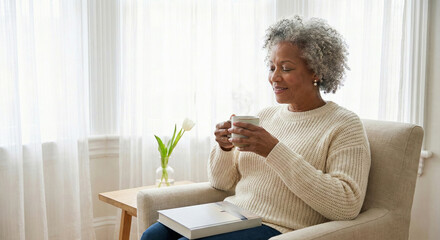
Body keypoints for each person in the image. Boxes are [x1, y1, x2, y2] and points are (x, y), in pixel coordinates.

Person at [141, 15, 371, 240]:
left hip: (278, 228)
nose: (274, 78)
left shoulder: (344, 124)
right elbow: (221, 183)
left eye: (286, 68)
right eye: (272, 67)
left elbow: (346, 205)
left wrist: (273, 150)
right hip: (232, 214)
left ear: (317, 72)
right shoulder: (265, 116)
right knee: (152, 236)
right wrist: (225, 148)